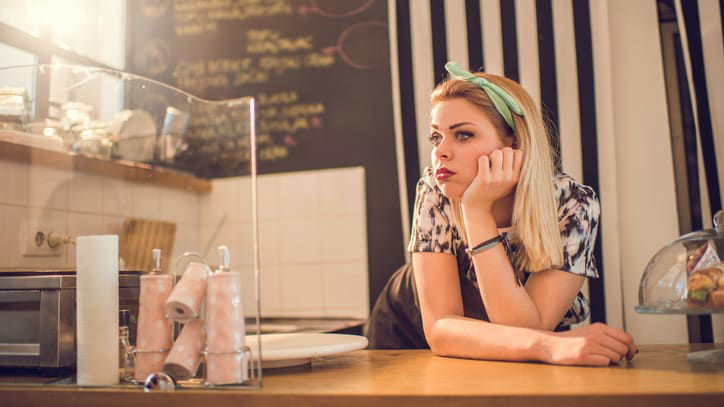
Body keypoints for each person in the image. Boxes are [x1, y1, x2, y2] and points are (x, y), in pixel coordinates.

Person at [366, 61, 637, 366]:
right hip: (408, 337)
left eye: (464, 135)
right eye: (436, 137)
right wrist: (474, 207)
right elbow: (441, 329)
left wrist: (477, 213)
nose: (440, 151)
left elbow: (524, 329)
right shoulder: (433, 190)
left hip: (528, 343)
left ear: (514, 143)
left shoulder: (572, 203)